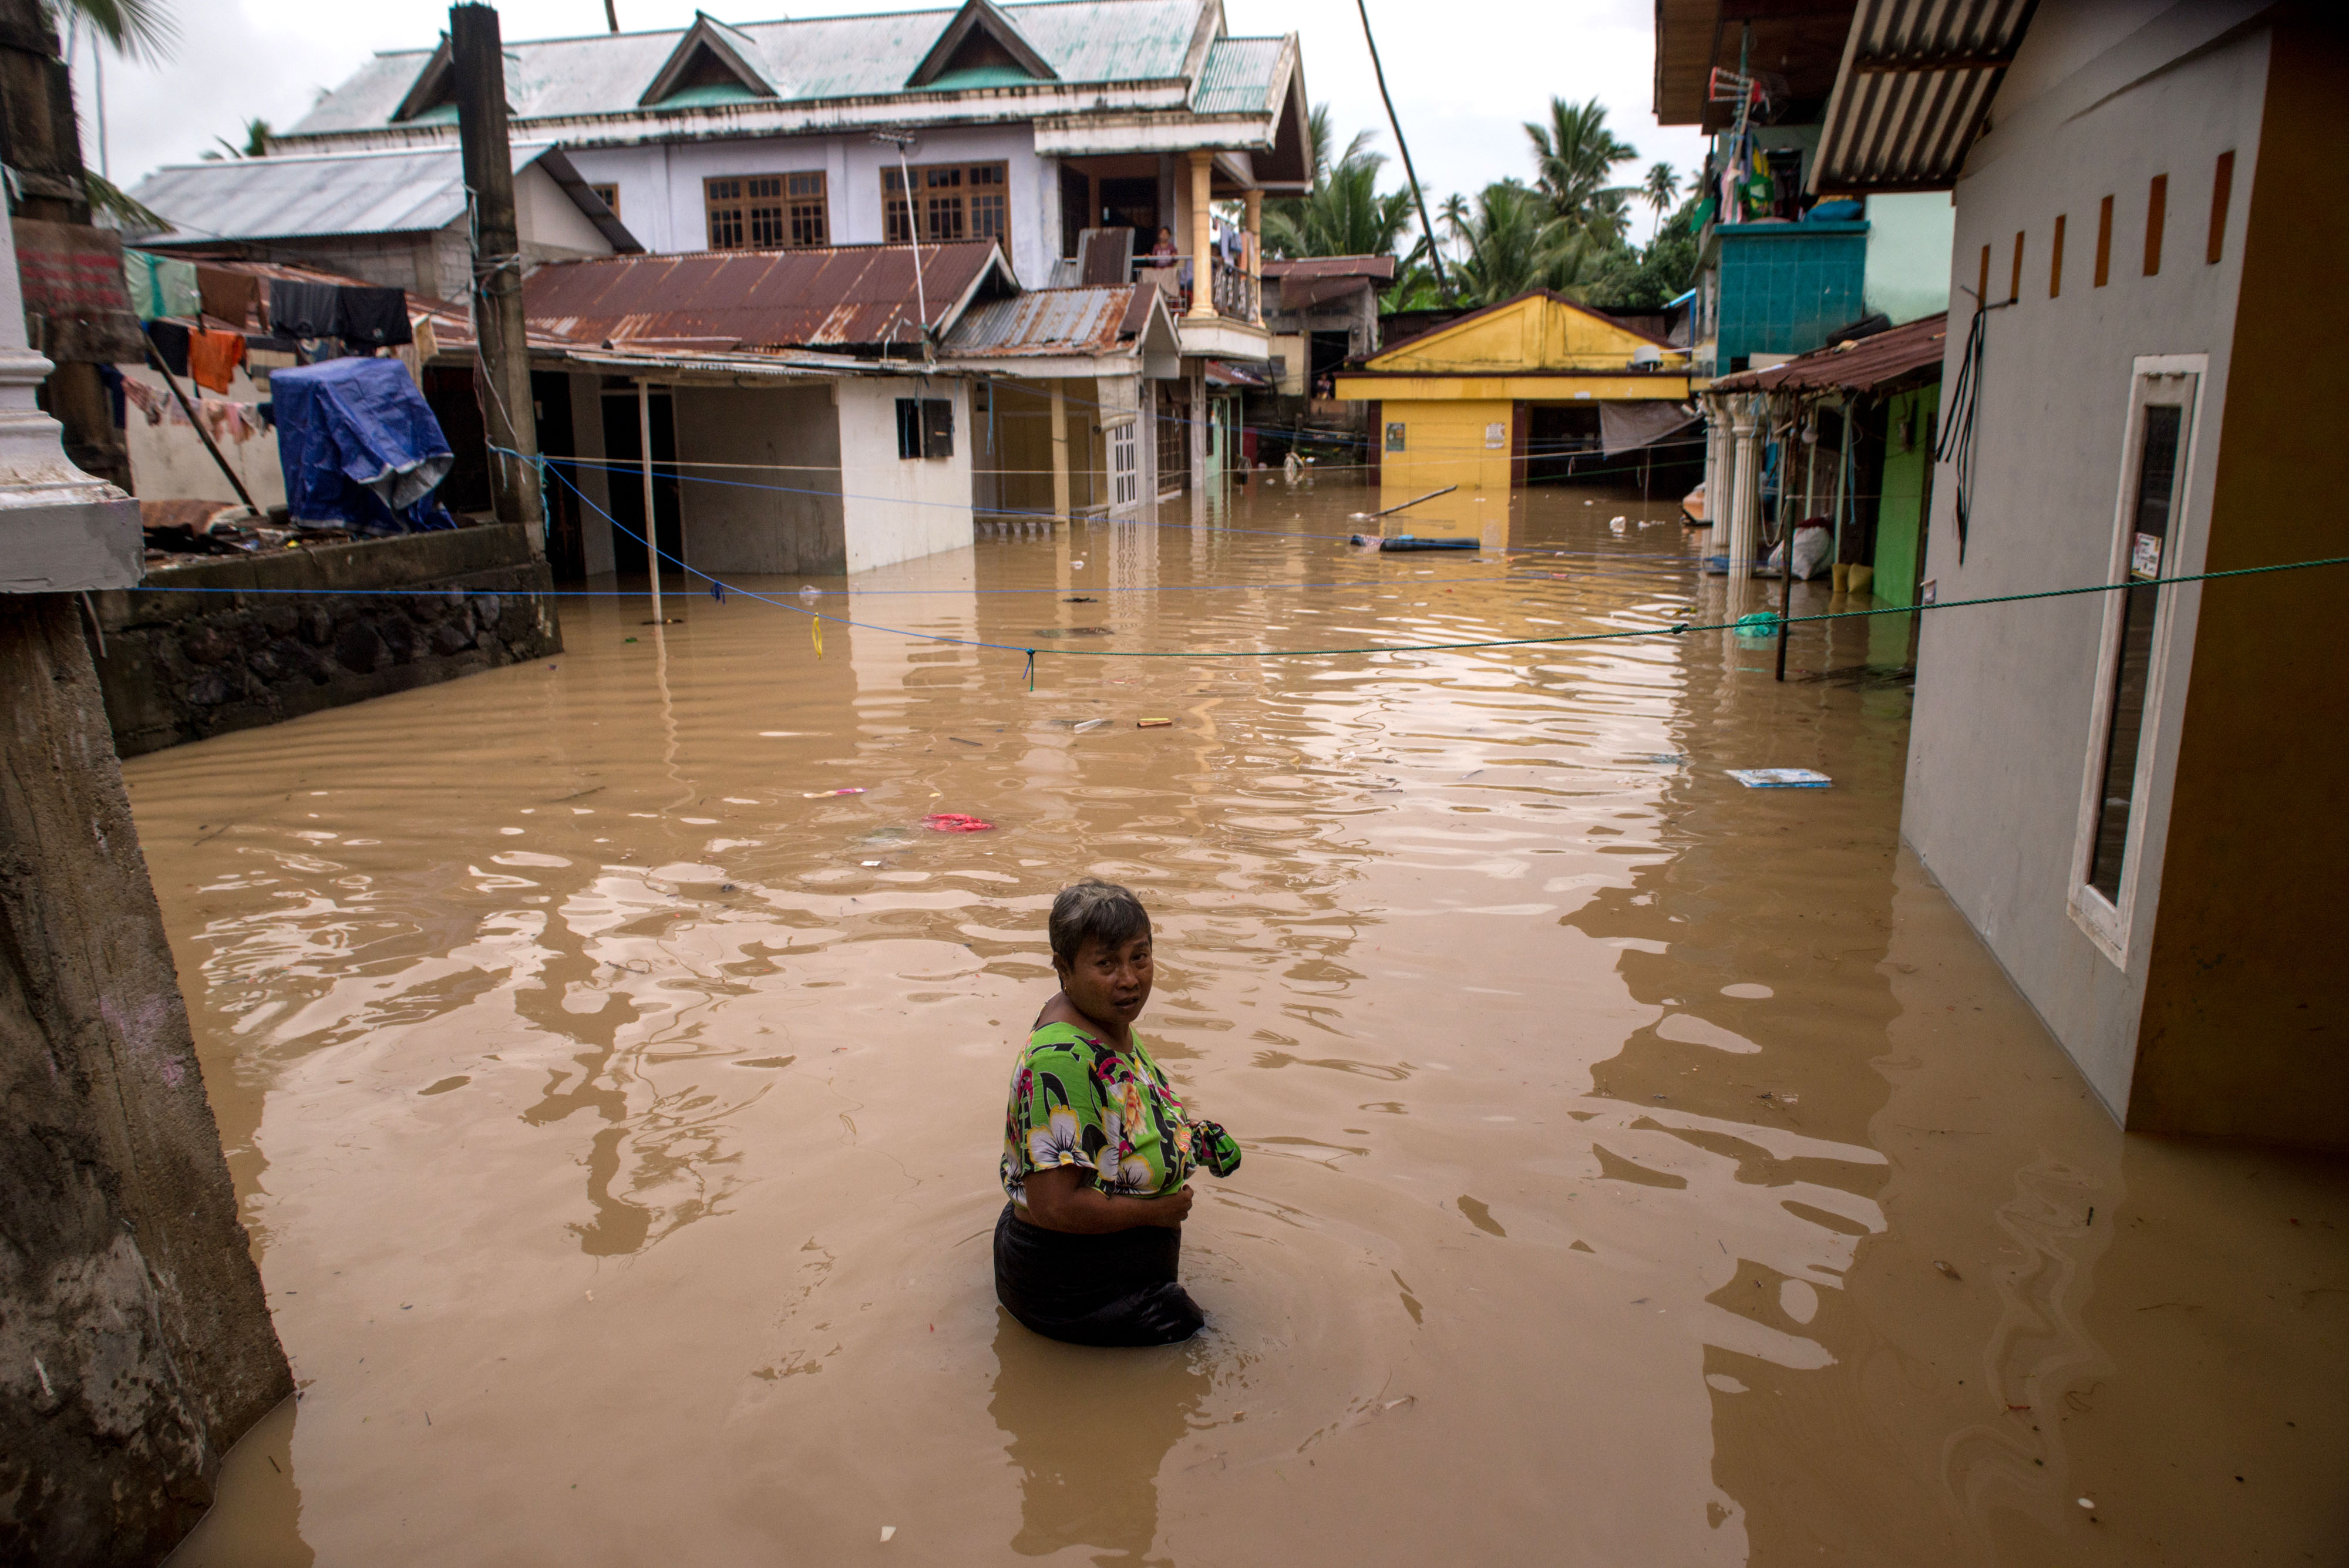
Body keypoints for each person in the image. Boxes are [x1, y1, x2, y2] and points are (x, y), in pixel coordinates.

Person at [995, 880, 1240, 1346]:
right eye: (1106, 963)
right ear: (1064, 969)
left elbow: (1124, 1115)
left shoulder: (1106, 1020)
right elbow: (1054, 1205)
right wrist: (1160, 1211)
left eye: (1140, 957)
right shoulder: (1063, 1057)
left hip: (1101, 1271)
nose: (1129, 979)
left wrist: (1190, 1140)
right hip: (1075, 1290)